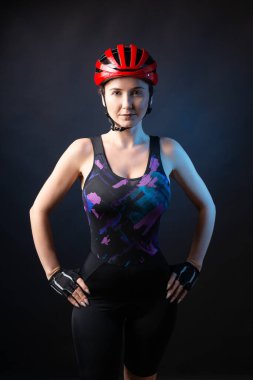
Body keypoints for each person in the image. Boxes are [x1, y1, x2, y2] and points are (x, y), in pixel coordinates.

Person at [29, 43, 216, 380]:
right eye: (116, 92)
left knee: (143, 377)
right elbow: (38, 210)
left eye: (137, 93)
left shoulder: (169, 150)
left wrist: (194, 265)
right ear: (102, 97)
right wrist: (53, 272)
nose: (127, 104)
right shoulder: (83, 151)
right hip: (95, 296)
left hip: (156, 296)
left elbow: (207, 206)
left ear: (150, 97)